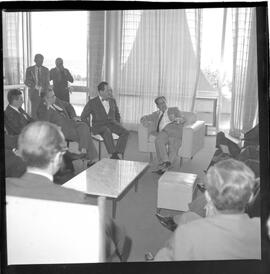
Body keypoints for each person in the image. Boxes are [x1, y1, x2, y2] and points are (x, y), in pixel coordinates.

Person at [5, 121, 132, 262]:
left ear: (20, 154)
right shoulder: (73, 200)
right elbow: (108, 243)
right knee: (123, 237)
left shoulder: (7, 187)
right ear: (57, 158)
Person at [153, 159, 261, 261]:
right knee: (188, 216)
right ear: (250, 197)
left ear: (208, 196)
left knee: (187, 218)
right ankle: (174, 220)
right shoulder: (261, 229)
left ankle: (174, 221)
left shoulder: (188, 234)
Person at [37, 88, 98, 166]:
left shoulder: (56, 100)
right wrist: (48, 107)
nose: (54, 98)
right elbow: (45, 124)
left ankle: (83, 150)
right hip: (62, 129)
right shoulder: (42, 109)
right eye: (52, 97)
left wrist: (74, 116)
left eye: (54, 95)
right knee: (84, 134)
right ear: (45, 98)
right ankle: (91, 156)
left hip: (70, 122)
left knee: (84, 126)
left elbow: (68, 106)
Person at [80, 81, 129, 159]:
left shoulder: (112, 100)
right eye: (107, 91)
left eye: (110, 90)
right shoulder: (92, 102)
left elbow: (117, 114)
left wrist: (118, 124)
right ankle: (113, 154)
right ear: (100, 92)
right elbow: (83, 116)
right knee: (107, 131)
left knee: (125, 132)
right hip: (99, 126)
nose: (109, 92)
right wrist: (89, 128)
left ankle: (116, 153)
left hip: (112, 124)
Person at [140, 96, 186, 174]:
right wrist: (144, 122)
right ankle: (166, 162)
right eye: (160, 103)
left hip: (174, 130)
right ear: (157, 106)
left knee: (174, 145)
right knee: (158, 140)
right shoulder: (156, 114)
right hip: (163, 132)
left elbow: (182, 118)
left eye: (164, 102)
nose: (163, 105)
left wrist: (176, 119)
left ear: (166, 102)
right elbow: (144, 117)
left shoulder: (174, 109)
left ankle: (163, 167)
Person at [24, 54, 50, 119]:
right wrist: (34, 86)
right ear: (35, 60)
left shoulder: (46, 69)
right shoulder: (29, 69)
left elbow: (47, 82)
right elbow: (26, 81)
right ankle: (35, 126)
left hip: (44, 94)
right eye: (38, 60)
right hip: (34, 93)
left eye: (41, 61)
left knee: (44, 111)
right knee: (34, 112)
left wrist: (46, 93)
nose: (40, 62)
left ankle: (42, 125)